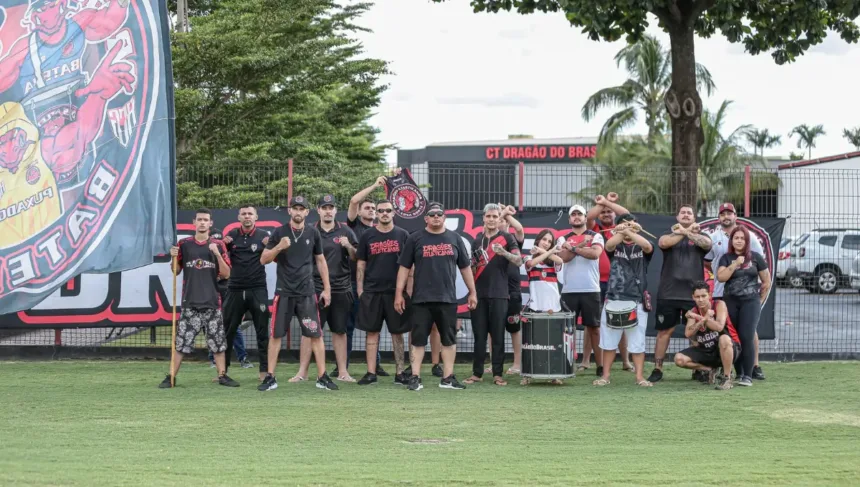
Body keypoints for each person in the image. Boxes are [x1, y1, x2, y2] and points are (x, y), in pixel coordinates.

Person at [395, 202, 478, 391]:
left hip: (447, 298)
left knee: (449, 339)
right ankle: (415, 377)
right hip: (421, 299)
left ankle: (447, 378)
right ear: (426, 218)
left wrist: (472, 292)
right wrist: (398, 293)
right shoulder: (415, 238)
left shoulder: (454, 238)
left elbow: (465, 267)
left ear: (444, 217)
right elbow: (404, 268)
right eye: (432, 214)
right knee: (418, 340)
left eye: (439, 214)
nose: (435, 217)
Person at [258, 196, 337, 392]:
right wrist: (279, 247)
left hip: (307, 292)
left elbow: (321, 261)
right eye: (295, 208)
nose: (298, 212)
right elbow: (263, 259)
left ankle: (322, 376)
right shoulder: (279, 232)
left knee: (315, 334)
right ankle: (270, 377)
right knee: (276, 335)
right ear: (289, 211)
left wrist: (327, 289)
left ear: (307, 212)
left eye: (302, 209)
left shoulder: (313, 232)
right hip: (284, 292)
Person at [159, 209, 237, 388]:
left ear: (211, 223)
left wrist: (217, 253)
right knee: (181, 343)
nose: (202, 222)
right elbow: (176, 270)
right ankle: (171, 376)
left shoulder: (218, 244)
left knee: (217, 343)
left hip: (212, 302)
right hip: (190, 303)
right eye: (199, 219)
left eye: (206, 220)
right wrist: (173, 257)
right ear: (194, 222)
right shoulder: (184, 244)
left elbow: (226, 274)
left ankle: (222, 375)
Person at [289, 195, 358, 383]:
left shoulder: (345, 230)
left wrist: (348, 245)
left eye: (331, 207)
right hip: (314, 288)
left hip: (341, 288)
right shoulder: (309, 230)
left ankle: (343, 372)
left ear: (335, 210)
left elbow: (356, 257)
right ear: (318, 210)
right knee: (309, 330)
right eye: (324, 208)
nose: (328, 211)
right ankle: (302, 372)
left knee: (340, 331)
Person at [648, 204, 712, 384]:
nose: (685, 215)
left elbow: (707, 244)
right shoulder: (668, 235)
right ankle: (657, 368)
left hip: (693, 295)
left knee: (695, 332)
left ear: (694, 218)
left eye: (689, 213)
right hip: (668, 293)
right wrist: (685, 231)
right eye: (682, 212)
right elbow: (663, 243)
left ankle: (697, 369)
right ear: (677, 217)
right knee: (664, 332)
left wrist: (687, 232)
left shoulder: (701, 236)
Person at [705, 202, 767, 381]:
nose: (726, 216)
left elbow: (762, 272)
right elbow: (709, 262)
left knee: (749, 332)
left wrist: (758, 299)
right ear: (719, 217)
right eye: (722, 214)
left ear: (735, 216)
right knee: (728, 333)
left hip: (749, 297)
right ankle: (727, 368)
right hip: (723, 293)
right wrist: (728, 268)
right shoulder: (714, 237)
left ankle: (753, 367)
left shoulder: (751, 238)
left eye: (729, 213)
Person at [463, 203, 522, 387]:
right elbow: (472, 269)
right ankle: (477, 373)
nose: (491, 219)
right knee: (479, 336)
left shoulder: (507, 237)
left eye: (495, 216)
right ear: (483, 218)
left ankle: (498, 374)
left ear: (499, 219)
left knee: (498, 336)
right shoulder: (477, 240)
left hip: (500, 294)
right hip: (479, 294)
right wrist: (473, 270)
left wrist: (503, 252)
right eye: (488, 216)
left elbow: (519, 260)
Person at [593, 214, 654, 387]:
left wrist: (629, 230)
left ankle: (639, 377)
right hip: (614, 298)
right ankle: (605, 376)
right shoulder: (615, 245)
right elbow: (609, 245)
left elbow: (648, 246)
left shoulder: (641, 245)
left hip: (637, 299)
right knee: (609, 341)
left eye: (632, 224)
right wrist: (621, 231)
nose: (628, 228)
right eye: (624, 225)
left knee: (637, 341)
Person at [356, 200, 412, 385]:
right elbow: (361, 263)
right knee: (372, 333)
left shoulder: (403, 235)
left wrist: (407, 290)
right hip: (372, 291)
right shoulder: (367, 235)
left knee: (398, 333)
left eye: (388, 210)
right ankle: (371, 373)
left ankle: (400, 373)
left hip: (396, 293)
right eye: (381, 211)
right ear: (377, 214)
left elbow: (409, 265)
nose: (385, 213)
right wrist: (360, 289)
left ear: (393, 213)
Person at [345, 175, 394, 377]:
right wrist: (375, 185)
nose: (372, 210)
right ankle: (343, 366)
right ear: (359, 212)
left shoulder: (381, 231)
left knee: (374, 327)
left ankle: (376, 365)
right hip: (351, 283)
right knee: (347, 326)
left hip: (373, 286)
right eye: (368, 208)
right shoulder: (353, 226)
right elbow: (354, 201)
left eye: (375, 208)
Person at [220, 205, 271, 380]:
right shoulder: (231, 236)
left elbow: (274, 257)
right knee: (228, 331)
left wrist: (270, 246)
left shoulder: (264, 236)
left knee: (262, 332)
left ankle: (264, 371)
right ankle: (223, 371)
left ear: (256, 217)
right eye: (244, 214)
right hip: (234, 289)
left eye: (250, 214)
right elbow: (221, 258)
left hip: (257, 288)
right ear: (239, 217)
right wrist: (223, 245)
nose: (247, 216)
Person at [716, 226, 772, 387]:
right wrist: (735, 264)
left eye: (742, 238)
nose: (739, 241)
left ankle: (748, 375)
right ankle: (739, 372)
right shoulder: (726, 258)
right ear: (731, 241)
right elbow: (721, 277)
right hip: (731, 302)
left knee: (747, 336)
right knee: (735, 337)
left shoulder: (755, 257)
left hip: (750, 302)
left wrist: (759, 301)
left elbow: (766, 281)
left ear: (747, 241)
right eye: (736, 238)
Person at [585, 192, 634, 372]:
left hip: (618, 283)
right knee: (592, 323)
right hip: (596, 282)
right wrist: (603, 203)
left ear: (614, 214)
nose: (606, 214)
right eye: (603, 212)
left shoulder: (621, 228)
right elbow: (589, 217)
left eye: (609, 212)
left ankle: (626, 361)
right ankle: (585, 361)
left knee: (621, 321)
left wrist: (608, 202)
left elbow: (627, 214)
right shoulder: (594, 229)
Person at [556, 204, 605, 376]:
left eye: (580, 214)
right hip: (569, 290)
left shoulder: (596, 235)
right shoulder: (562, 238)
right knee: (567, 330)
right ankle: (566, 364)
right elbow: (564, 258)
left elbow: (595, 254)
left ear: (585, 218)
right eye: (573, 214)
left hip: (591, 289)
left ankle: (600, 366)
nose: (576, 217)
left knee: (594, 328)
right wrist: (582, 247)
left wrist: (574, 248)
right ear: (569, 219)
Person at [673, 281, 741, 391]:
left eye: (703, 296)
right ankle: (709, 370)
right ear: (693, 297)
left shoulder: (719, 305)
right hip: (706, 350)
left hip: (727, 348)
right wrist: (702, 319)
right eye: (697, 297)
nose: (700, 300)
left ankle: (727, 378)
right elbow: (688, 333)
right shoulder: (694, 311)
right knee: (679, 359)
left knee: (724, 339)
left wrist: (698, 317)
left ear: (709, 295)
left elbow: (719, 327)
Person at [210, 224, 250, 370]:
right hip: (211, 291)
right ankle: (213, 358)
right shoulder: (204, 252)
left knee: (233, 325)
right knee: (212, 326)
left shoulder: (228, 252)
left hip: (227, 289)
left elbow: (228, 272)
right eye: (213, 240)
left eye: (219, 241)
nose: (216, 243)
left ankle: (243, 357)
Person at [498, 204, 526, 375]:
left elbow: (519, 228)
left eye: (502, 220)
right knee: (493, 330)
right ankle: (494, 363)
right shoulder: (489, 241)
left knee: (514, 329)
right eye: (498, 218)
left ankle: (517, 363)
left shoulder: (513, 241)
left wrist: (506, 214)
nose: (500, 221)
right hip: (495, 292)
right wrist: (503, 213)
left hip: (513, 292)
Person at [524, 229, 564, 313]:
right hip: (536, 306)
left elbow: (560, 261)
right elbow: (531, 264)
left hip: (553, 307)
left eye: (549, 242)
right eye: (544, 239)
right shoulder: (528, 258)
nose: (546, 243)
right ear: (538, 240)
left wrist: (542, 251)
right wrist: (550, 251)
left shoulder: (553, 260)